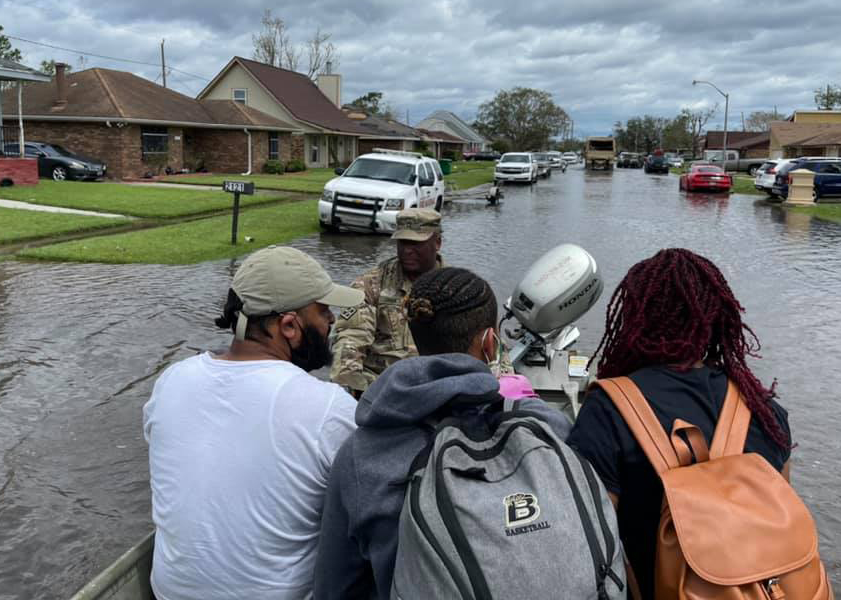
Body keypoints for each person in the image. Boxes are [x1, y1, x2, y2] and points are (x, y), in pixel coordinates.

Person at [314, 267, 571, 599]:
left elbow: (336, 587)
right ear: (491, 343)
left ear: (414, 337)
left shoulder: (360, 456)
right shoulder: (547, 428)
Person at [566, 248, 792, 599]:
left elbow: (586, 543)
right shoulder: (764, 410)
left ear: (633, 318)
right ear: (716, 318)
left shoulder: (609, 409)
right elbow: (783, 523)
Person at [143, 246, 363, 600]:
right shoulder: (326, 407)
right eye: (323, 311)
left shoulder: (172, 380)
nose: (332, 321)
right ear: (289, 326)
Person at [330, 208, 444, 396]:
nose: (408, 250)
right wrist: (362, 391)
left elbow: (483, 341)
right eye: (403, 242)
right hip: (383, 390)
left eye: (416, 243)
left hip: (439, 390)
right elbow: (350, 339)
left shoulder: (458, 286)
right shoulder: (371, 284)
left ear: (437, 243)